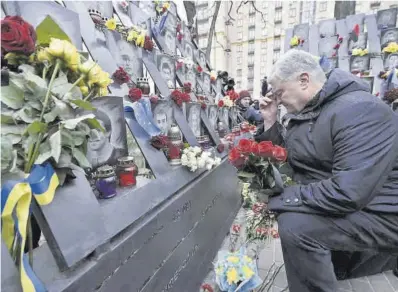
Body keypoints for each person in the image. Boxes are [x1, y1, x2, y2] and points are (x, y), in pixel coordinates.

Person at [255, 49, 398, 292]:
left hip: (381, 209)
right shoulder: (312, 110)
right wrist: (270, 121)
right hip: (357, 202)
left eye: (279, 93)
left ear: (303, 80)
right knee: (293, 217)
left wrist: (283, 199)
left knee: (296, 226)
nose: (277, 101)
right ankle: (332, 267)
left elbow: (349, 193)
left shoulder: (359, 110)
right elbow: (293, 159)